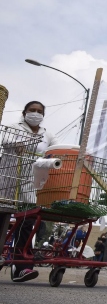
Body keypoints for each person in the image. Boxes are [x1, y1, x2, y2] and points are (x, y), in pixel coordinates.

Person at [2, 101, 58, 282]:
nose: (35, 113)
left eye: (39, 111)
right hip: (8, 181)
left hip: (30, 184)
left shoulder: (46, 134)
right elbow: (3, 139)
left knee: (26, 225)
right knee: (2, 223)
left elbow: (56, 150)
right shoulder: (13, 127)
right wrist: (17, 144)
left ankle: (22, 268)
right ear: (24, 112)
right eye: (32, 110)